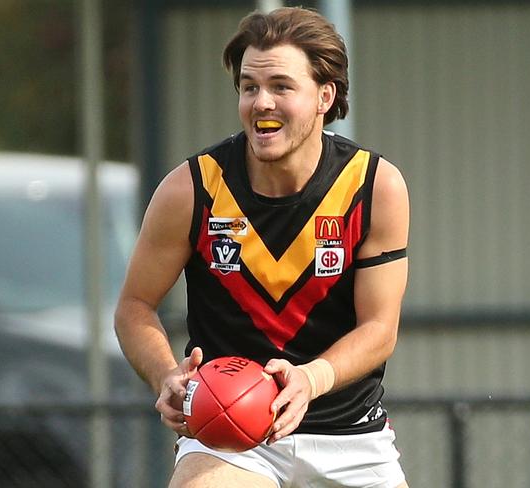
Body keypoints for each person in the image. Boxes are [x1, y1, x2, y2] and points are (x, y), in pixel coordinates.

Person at [114, 7, 410, 488]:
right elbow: (134, 306)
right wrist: (166, 375)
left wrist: (309, 379)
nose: (261, 102)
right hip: (228, 437)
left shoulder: (374, 186)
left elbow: (379, 328)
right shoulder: (192, 188)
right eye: (249, 87)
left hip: (351, 437)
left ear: (324, 96)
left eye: (281, 86)